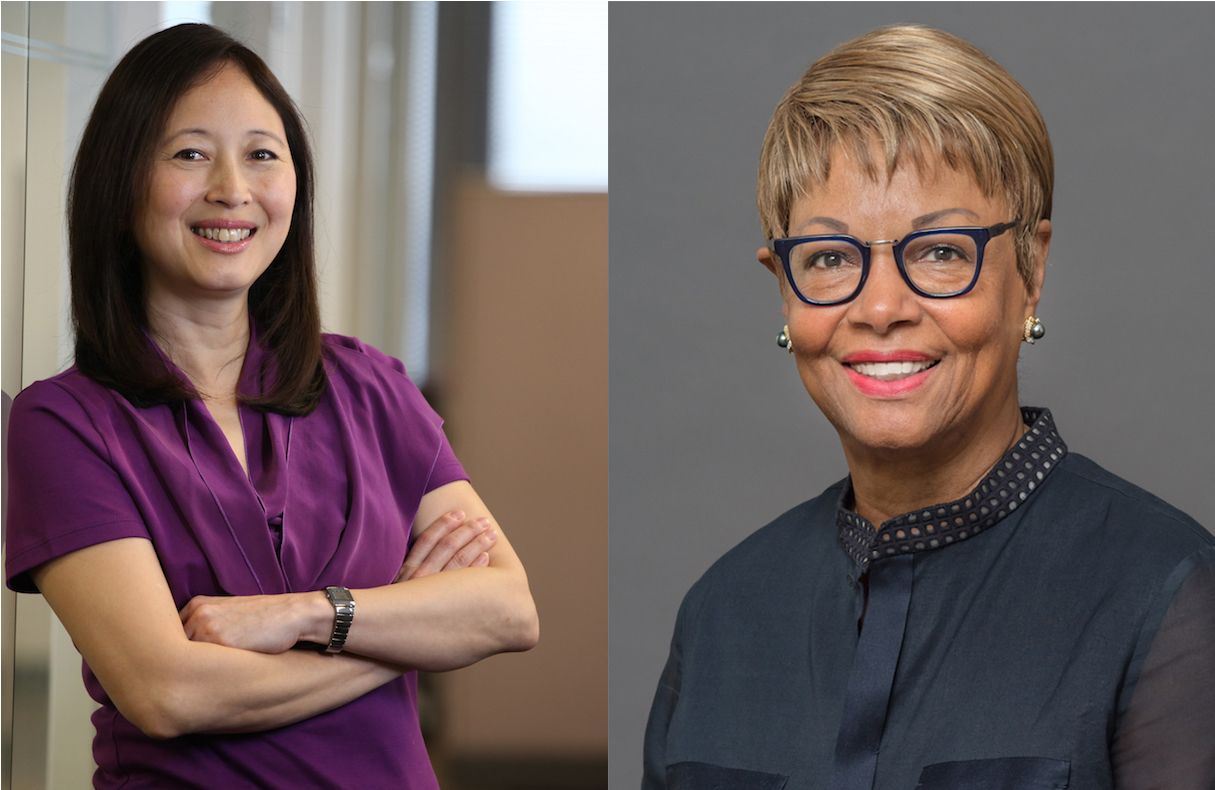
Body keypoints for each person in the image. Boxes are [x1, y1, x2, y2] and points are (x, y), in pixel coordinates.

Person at [643, 25, 1214, 790]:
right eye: (830, 258)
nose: (880, 307)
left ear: (1031, 271)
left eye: (941, 250)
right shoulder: (721, 613)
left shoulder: (1168, 596)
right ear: (783, 290)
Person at [4, 23, 538, 788]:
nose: (233, 188)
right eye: (190, 153)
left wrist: (308, 614)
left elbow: (509, 610)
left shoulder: (368, 386)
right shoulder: (63, 426)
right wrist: (408, 619)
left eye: (262, 154)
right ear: (119, 189)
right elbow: (167, 693)